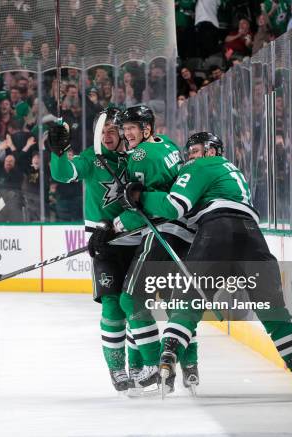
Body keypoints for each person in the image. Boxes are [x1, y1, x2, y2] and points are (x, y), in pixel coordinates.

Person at [122, 131, 292, 394]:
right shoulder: (232, 172)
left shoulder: (202, 166)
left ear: (211, 150)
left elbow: (174, 206)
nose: (190, 158)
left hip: (217, 232)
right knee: (272, 308)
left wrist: (140, 198)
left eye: (195, 151)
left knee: (188, 301)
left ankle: (168, 356)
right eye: (189, 153)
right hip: (252, 236)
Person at [49, 108, 145, 393]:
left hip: (137, 241)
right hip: (105, 246)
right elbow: (64, 174)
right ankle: (117, 369)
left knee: (137, 307)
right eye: (103, 132)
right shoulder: (91, 159)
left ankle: (139, 366)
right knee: (113, 306)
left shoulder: (135, 158)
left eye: (113, 131)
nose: (108, 136)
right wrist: (58, 151)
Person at [106, 105, 199, 395]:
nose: (126, 133)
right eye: (125, 128)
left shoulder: (141, 156)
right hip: (188, 235)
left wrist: (117, 225)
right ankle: (190, 367)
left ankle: (153, 364)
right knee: (175, 304)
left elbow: (144, 206)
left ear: (146, 128)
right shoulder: (167, 143)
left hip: (163, 233)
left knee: (130, 299)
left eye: (132, 127)